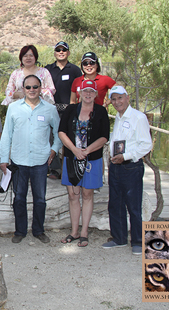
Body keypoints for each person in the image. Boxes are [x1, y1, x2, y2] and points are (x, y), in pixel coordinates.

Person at [0, 75, 61, 244]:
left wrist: (54, 150)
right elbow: (6, 134)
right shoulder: (13, 108)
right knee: (19, 198)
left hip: (41, 161)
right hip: (18, 161)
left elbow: (59, 133)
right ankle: (20, 231)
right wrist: (4, 159)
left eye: (35, 87)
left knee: (40, 199)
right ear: (23, 89)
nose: (32, 90)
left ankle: (38, 230)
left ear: (41, 88)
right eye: (28, 87)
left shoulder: (50, 109)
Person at [58, 80, 109, 248]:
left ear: (96, 94)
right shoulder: (71, 110)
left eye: (91, 91)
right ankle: (74, 231)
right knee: (73, 195)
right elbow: (62, 132)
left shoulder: (101, 111)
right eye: (85, 91)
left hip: (92, 159)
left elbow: (104, 137)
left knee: (87, 195)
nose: (88, 94)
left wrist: (87, 151)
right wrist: (74, 150)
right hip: (72, 157)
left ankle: (84, 232)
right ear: (79, 93)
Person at [103, 86, 152, 255]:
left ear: (127, 97)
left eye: (120, 98)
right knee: (115, 204)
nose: (117, 102)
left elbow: (146, 144)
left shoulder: (138, 117)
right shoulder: (118, 117)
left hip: (131, 166)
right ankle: (119, 238)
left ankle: (137, 241)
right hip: (115, 166)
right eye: (114, 99)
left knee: (133, 205)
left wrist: (126, 156)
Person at [45, 42, 82, 179]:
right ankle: (55, 169)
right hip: (51, 109)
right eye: (58, 50)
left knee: (69, 139)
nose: (61, 52)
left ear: (68, 53)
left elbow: (79, 90)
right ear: (55, 53)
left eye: (64, 50)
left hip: (69, 110)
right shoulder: (48, 69)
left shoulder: (75, 70)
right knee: (50, 138)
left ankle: (69, 168)